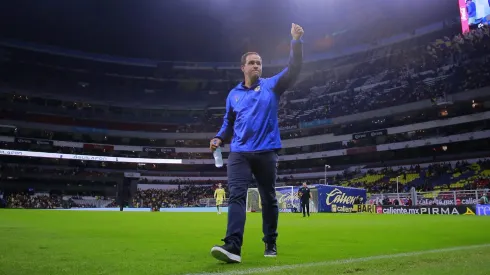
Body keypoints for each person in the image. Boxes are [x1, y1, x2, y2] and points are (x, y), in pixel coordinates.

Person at [209, 23, 304, 264]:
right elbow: (228, 122)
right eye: (252, 62)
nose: (257, 66)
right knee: (236, 197)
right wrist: (220, 137)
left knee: (268, 197)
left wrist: (295, 41)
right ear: (243, 68)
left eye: (259, 63)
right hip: (239, 152)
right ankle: (232, 246)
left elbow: (293, 69)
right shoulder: (233, 95)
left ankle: (270, 241)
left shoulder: (272, 86)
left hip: (266, 151)